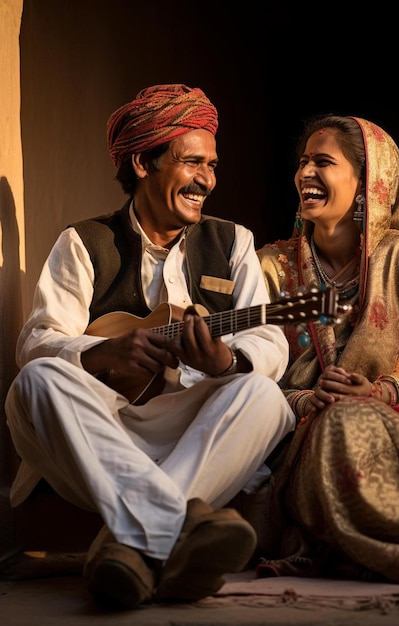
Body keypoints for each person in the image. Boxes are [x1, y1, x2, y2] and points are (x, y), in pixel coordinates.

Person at [5, 84, 297, 610]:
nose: (207, 178)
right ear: (143, 161)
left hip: (195, 434)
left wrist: (226, 360)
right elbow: (37, 340)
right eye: (191, 163)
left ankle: (131, 546)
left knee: (265, 397)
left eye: (212, 164)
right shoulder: (83, 242)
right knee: (36, 380)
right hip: (101, 435)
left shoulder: (233, 242)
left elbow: (269, 339)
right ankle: (176, 527)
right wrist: (100, 355)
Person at [255, 114, 399, 587]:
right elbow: (251, 378)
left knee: (352, 420)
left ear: (367, 186)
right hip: (299, 437)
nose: (305, 172)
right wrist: (303, 400)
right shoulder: (269, 267)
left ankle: (383, 549)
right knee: (336, 421)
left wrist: (380, 394)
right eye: (303, 161)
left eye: (323, 162)